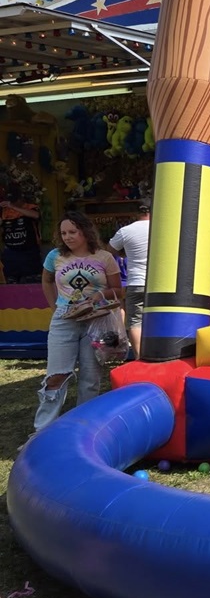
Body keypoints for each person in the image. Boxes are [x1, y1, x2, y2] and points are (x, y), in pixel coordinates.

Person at [23, 211, 123, 448]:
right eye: (63, 232)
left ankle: (83, 431)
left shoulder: (105, 257)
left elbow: (118, 291)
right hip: (64, 320)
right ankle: (42, 432)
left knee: (90, 377)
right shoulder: (55, 256)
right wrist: (53, 305)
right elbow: (46, 280)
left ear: (86, 232)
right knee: (56, 375)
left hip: (95, 320)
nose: (67, 237)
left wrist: (99, 295)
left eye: (72, 232)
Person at [108, 200, 151, 359]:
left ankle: (140, 358)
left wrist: (123, 255)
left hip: (136, 282)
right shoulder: (163, 227)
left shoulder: (125, 231)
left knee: (135, 321)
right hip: (160, 283)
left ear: (135, 213)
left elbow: (110, 250)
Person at [1, 188, 42, 283]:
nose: (12, 203)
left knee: (31, 281)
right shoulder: (4, 210)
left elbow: (36, 215)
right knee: (10, 282)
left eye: (14, 201)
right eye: (10, 201)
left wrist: (13, 207)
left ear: (20, 198)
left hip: (29, 252)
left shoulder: (30, 207)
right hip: (10, 253)